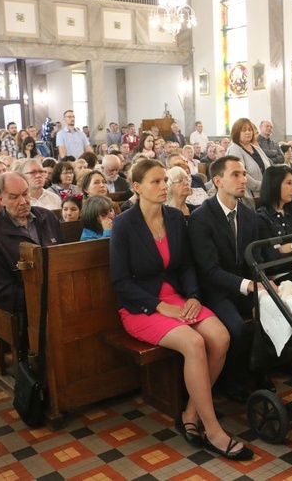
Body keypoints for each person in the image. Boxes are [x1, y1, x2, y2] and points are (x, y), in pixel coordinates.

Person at [110, 159, 253, 461]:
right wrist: (160, 306)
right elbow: (120, 281)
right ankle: (213, 430)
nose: (164, 186)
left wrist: (193, 296)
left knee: (221, 336)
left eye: (165, 180)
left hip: (176, 298)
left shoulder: (175, 218)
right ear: (136, 187)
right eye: (155, 181)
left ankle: (190, 413)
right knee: (195, 342)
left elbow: (187, 265)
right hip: (141, 306)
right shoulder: (124, 224)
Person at [188, 156, 268, 403]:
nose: (243, 179)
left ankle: (258, 371)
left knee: (271, 314)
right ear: (218, 180)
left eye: (244, 174)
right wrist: (248, 287)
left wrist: (259, 292)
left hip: (241, 285)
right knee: (235, 328)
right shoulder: (202, 217)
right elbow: (209, 270)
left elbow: (252, 259)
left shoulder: (247, 214)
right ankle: (228, 381)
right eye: (236, 174)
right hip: (214, 290)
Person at [0, 173, 63, 316]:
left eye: (25, 194)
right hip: (24, 308)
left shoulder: (48, 217)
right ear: (0, 199)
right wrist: (39, 300)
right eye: (14, 197)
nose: (23, 201)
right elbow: (0, 290)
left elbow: (62, 259)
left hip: (59, 296)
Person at [225, 118, 271, 206]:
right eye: (244, 130)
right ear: (237, 132)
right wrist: (260, 186)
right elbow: (239, 174)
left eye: (250, 130)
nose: (248, 132)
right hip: (248, 196)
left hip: (266, 192)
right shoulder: (235, 149)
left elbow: (268, 166)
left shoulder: (256, 148)